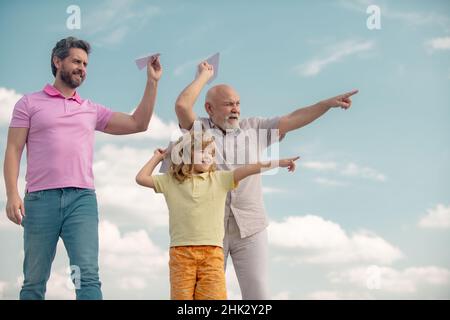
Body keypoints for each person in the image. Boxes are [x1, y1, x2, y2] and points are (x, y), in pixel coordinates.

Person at [169, 60, 358, 299]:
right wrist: (204, 77)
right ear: (209, 108)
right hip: (210, 230)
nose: (235, 109)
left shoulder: (255, 127)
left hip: (251, 227)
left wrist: (325, 105)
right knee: (206, 298)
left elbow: (294, 118)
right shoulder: (198, 130)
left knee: (258, 295)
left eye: (237, 103)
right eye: (228, 104)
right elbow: (182, 105)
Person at [3, 36, 163, 300]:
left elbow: (138, 123)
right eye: (76, 61)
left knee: (88, 277)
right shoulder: (28, 104)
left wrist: (152, 82)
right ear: (57, 61)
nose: (82, 68)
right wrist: (12, 194)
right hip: (40, 200)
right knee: (33, 281)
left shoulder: (91, 110)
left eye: (86, 64)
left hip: (82, 200)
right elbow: (13, 150)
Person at [136, 130, 299, 300]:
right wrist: (157, 157)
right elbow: (141, 178)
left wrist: (278, 162)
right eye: (202, 151)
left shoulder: (220, 179)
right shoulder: (170, 181)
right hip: (181, 254)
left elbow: (250, 168)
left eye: (211, 153)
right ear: (184, 153)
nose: (207, 156)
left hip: (213, 254)